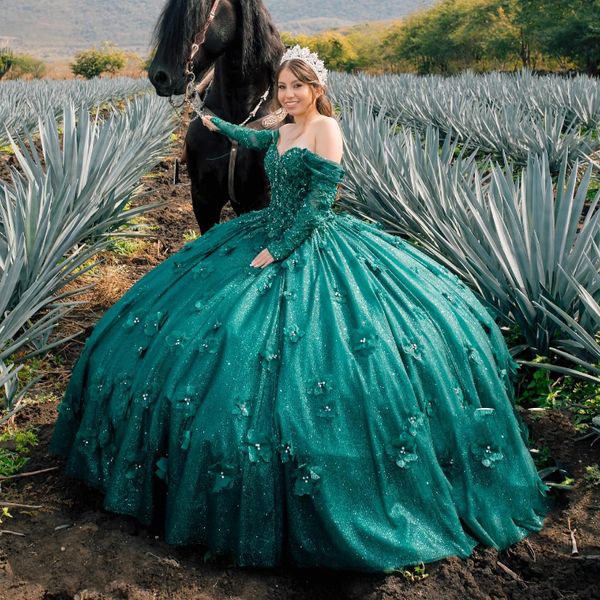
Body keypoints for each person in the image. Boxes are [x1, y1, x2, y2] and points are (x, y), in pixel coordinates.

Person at [51, 46, 550, 572]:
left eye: (298, 86)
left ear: (317, 89)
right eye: (282, 87)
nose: (288, 95)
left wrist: (278, 250)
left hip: (305, 242)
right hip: (265, 231)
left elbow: (317, 205)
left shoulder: (325, 131)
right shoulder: (285, 127)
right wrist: (213, 121)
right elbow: (255, 138)